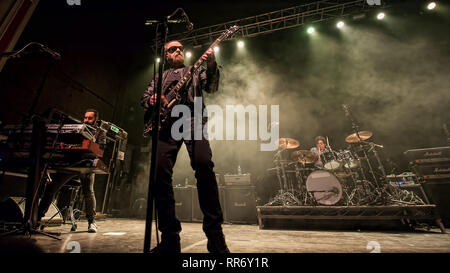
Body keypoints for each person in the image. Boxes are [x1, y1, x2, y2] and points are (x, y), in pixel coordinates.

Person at [140, 40, 229, 253]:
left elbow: (212, 87)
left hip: (191, 119)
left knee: (204, 166)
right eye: (173, 49)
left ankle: (215, 237)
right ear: (166, 56)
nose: (178, 50)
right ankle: (170, 239)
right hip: (165, 125)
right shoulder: (159, 77)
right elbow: (144, 99)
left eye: (180, 48)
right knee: (159, 177)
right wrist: (152, 100)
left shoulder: (194, 70)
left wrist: (211, 64)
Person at [37, 109, 106, 233]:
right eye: (85, 117)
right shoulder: (78, 127)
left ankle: (92, 222)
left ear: (96, 119)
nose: (86, 120)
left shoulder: (101, 132)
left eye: (90, 118)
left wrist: (91, 143)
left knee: (89, 192)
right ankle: (37, 218)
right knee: (52, 187)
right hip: (72, 162)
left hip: (87, 165)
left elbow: (100, 150)